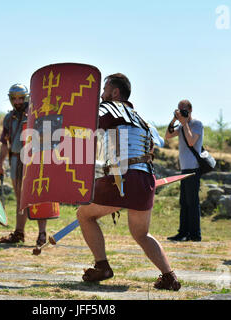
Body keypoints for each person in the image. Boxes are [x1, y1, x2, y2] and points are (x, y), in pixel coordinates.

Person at [76, 73, 181, 291]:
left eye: (104, 90)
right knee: (141, 233)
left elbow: (83, 131)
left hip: (121, 177)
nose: (101, 95)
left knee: (84, 215)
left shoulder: (107, 110)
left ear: (115, 92)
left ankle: (102, 265)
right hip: (145, 177)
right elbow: (153, 147)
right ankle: (169, 276)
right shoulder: (142, 120)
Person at [0, 84, 48, 246]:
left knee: (38, 197)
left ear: (27, 97)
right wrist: (0, 163)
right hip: (15, 159)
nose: (17, 102)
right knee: (21, 198)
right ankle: (19, 233)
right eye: (14, 98)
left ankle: (42, 234)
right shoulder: (9, 118)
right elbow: (5, 143)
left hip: (35, 160)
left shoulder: (36, 115)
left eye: (21, 98)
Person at [164, 100, 203, 242]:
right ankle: (183, 232)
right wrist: (175, 119)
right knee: (184, 202)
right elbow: (167, 136)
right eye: (179, 110)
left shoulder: (196, 124)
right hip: (184, 168)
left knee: (192, 202)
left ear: (190, 109)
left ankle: (195, 234)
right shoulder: (181, 126)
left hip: (193, 167)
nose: (182, 112)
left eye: (184, 110)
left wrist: (185, 122)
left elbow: (192, 141)